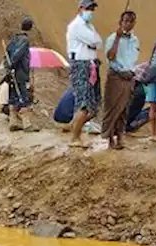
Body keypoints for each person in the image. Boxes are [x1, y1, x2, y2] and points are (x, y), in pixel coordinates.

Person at [66, 0, 101, 148]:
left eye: (92, 8)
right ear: (80, 8)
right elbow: (94, 40)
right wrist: (92, 43)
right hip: (81, 65)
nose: (90, 11)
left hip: (90, 64)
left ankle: (75, 127)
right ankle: (75, 137)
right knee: (84, 104)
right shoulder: (76, 25)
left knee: (94, 105)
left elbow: (98, 42)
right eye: (88, 8)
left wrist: (93, 43)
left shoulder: (89, 26)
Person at [102, 10, 139, 150]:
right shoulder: (112, 38)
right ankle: (110, 138)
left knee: (124, 109)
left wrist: (131, 72)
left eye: (131, 21)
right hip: (116, 77)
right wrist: (117, 39)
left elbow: (133, 59)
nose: (128, 24)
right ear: (120, 22)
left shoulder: (135, 40)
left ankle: (120, 137)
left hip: (129, 77)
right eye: (126, 21)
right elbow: (110, 57)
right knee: (112, 108)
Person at [5, 18, 38, 131]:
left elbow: (7, 53)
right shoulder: (25, 40)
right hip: (20, 73)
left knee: (13, 96)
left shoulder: (14, 39)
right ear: (31, 28)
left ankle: (13, 122)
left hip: (12, 73)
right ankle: (27, 124)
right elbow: (18, 54)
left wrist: (8, 67)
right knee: (23, 96)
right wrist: (13, 65)